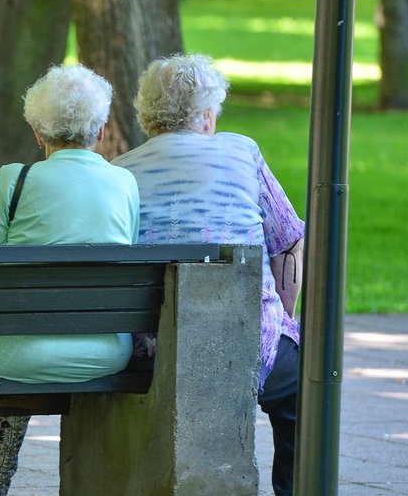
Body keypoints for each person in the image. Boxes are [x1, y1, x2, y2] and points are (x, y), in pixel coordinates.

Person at [0, 64, 139, 496]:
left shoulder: (14, 178)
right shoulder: (124, 182)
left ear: (39, 132)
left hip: (17, 351)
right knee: (13, 340)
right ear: (98, 132)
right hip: (103, 351)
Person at [112, 54, 304, 496]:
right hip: (250, 347)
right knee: (304, 389)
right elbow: (290, 241)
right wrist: (283, 321)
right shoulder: (242, 151)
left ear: (146, 114)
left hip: (153, 353)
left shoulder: (120, 171)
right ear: (207, 115)